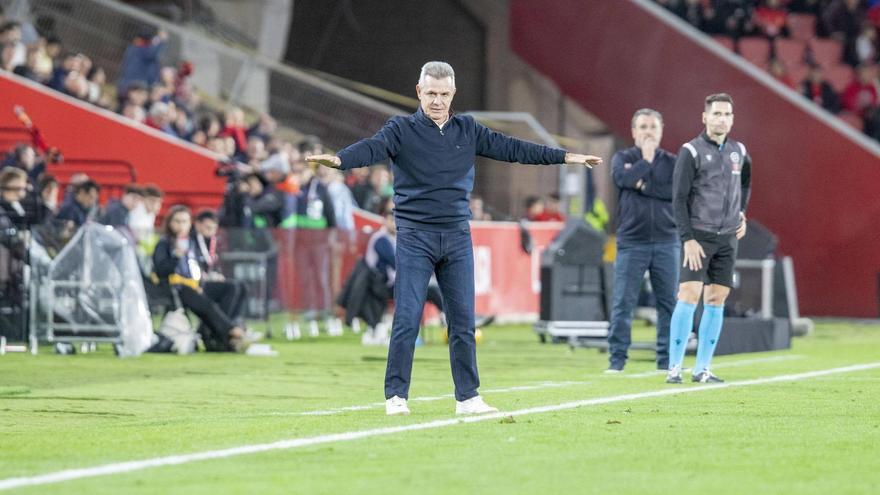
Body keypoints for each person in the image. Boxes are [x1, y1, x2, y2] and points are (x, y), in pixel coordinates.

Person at [307, 61, 602, 416]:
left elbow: (514, 149)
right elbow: (372, 148)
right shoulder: (400, 129)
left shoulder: (468, 128)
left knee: (463, 321)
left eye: (444, 94)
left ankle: (468, 397)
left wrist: (566, 157)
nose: (437, 100)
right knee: (407, 317)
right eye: (431, 93)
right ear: (419, 92)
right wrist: (340, 160)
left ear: (453, 94)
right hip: (415, 237)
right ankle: (396, 395)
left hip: (458, 237)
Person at [667, 93, 751, 384]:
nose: (722, 119)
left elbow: (746, 183)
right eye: (716, 114)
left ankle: (702, 368)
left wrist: (741, 213)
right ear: (704, 117)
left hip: (727, 238)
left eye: (727, 114)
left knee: (717, 298)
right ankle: (674, 368)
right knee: (688, 294)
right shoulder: (690, 151)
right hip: (698, 237)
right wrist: (687, 238)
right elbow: (678, 199)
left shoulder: (739, 151)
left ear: (732, 119)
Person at [606, 109, 679, 373]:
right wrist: (645, 162)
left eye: (653, 127)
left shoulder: (673, 162)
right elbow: (621, 179)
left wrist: (640, 183)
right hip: (631, 242)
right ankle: (617, 361)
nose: (648, 132)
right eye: (643, 127)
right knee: (623, 303)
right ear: (634, 131)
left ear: (661, 131)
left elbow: (674, 191)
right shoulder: (621, 158)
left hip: (667, 241)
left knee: (668, 304)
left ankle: (667, 360)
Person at [152, 205, 250, 352]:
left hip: (195, 284)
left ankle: (217, 334)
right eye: (177, 221)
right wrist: (176, 256)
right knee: (206, 304)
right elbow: (161, 271)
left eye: (184, 221)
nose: (180, 225)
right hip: (175, 287)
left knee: (233, 288)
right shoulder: (164, 243)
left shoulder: (190, 243)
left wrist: (204, 280)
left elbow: (196, 267)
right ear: (169, 223)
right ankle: (231, 332)